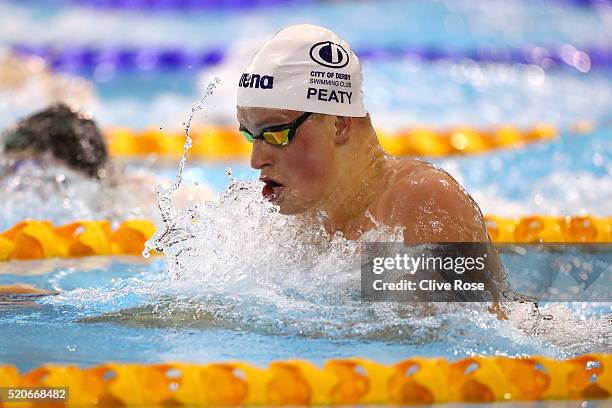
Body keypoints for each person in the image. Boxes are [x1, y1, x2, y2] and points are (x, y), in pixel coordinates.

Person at [236, 24, 507, 311]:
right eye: (249, 134)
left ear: (339, 123)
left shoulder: (417, 204)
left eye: (276, 134)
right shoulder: (302, 219)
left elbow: (446, 338)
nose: (256, 160)